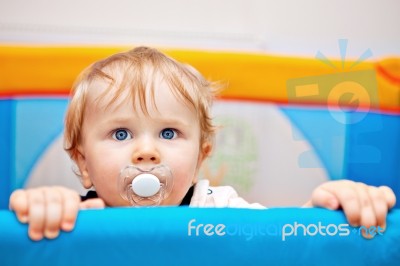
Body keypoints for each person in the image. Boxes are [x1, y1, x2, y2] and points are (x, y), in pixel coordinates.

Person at [9, 47, 396, 241]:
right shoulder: (75, 217)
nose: (147, 152)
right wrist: (38, 207)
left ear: (200, 157)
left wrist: (325, 208)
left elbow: (278, 241)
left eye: (168, 133)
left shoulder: (220, 208)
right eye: (121, 134)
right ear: (84, 161)